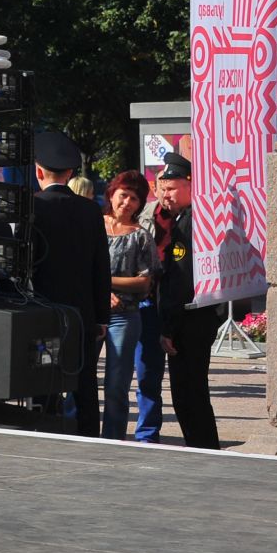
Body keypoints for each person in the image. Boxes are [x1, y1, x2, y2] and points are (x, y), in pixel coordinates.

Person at [29, 131, 110, 438]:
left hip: (43, 314)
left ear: (39, 171)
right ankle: (90, 437)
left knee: (43, 378)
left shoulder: (33, 208)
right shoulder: (90, 210)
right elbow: (101, 266)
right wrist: (101, 316)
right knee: (85, 383)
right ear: (71, 173)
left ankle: (44, 432)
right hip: (82, 316)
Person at [154, 154, 220, 450]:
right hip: (197, 318)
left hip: (188, 320)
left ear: (190, 185)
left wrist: (168, 327)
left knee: (187, 392)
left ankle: (202, 448)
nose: (164, 195)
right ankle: (202, 445)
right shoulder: (189, 218)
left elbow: (180, 280)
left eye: (171, 188)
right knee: (191, 391)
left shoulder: (188, 223)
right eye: (162, 188)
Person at [101, 172, 157, 442]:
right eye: (123, 194)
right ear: (111, 194)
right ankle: (78, 432)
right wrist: (101, 291)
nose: (127, 202)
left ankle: (112, 439)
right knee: (78, 379)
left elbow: (144, 282)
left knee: (115, 384)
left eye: (135, 198)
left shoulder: (141, 237)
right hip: (91, 312)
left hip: (125, 317)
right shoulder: (92, 226)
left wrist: (106, 283)